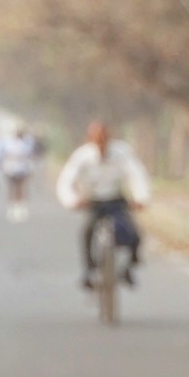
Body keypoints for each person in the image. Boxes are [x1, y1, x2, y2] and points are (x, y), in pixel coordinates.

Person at [56, 120, 151, 286]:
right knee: (87, 232)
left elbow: (137, 175)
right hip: (93, 202)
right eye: (97, 139)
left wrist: (141, 198)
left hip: (116, 199)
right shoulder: (82, 156)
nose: (101, 143)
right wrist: (72, 200)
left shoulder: (122, 152)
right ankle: (89, 272)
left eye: (104, 138)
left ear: (110, 137)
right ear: (90, 139)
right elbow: (66, 180)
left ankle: (128, 268)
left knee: (134, 235)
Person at [1, 122, 36, 221]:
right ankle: (11, 208)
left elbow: (30, 155)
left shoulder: (28, 141)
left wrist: (30, 167)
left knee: (21, 188)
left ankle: (21, 208)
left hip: (22, 168)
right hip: (11, 168)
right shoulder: (8, 141)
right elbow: (4, 154)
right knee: (11, 189)